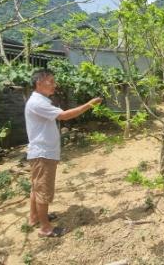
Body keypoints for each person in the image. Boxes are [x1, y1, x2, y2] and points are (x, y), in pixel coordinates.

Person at [25, 68, 102, 237]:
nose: (54, 84)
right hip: (43, 153)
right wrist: (89, 104)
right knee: (43, 190)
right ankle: (45, 228)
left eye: (54, 81)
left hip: (42, 152)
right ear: (39, 83)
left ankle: (34, 217)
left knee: (37, 188)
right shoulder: (37, 102)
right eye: (50, 81)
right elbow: (65, 116)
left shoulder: (40, 100)